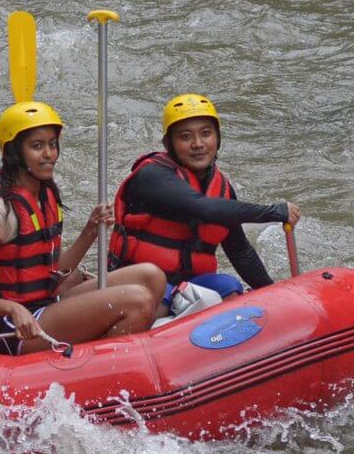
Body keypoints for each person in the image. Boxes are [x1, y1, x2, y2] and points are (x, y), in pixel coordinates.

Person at [0, 101, 166, 355]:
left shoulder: (46, 195)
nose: (49, 154)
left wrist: (90, 231)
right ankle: (101, 366)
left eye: (52, 144)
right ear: (13, 152)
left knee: (152, 276)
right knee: (138, 301)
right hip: (11, 326)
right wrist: (11, 308)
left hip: (46, 303)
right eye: (37, 146)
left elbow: (54, 273)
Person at [108, 92, 302, 300]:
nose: (198, 143)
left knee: (229, 287)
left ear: (217, 138)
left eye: (206, 133)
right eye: (185, 136)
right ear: (168, 144)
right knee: (159, 299)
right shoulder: (152, 176)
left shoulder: (222, 189)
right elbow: (204, 209)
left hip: (185, 286)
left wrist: (274, 294)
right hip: (138, 284)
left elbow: (240, 253)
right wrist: (272, 212)